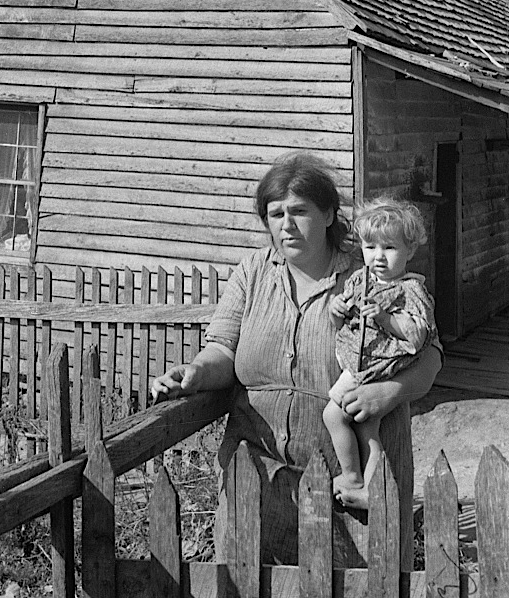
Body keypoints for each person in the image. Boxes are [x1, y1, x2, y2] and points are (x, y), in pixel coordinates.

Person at [151, 152, 442, 569]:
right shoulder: (252, 272)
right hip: (257, 477)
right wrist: (195, 372)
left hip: (347, 484)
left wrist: (386, 393)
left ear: (327, 214)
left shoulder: (371, 273)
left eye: (299, 211)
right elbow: (224, 350)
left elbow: (430, 355)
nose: (286, 224)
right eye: (275, 214)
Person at [323, 197, 438, 509]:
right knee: (364, 426)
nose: (379, 257)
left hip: (380, 366)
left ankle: (355, 479)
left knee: (337, 415)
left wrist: (385, 319)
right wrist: (338, 308)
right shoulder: (360, 280)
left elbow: (419, 336)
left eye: (389, 248)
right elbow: (340, 321)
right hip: (357, 361)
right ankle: (363, 483)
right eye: (370, 247)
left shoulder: (411, 290)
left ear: (410, 251)